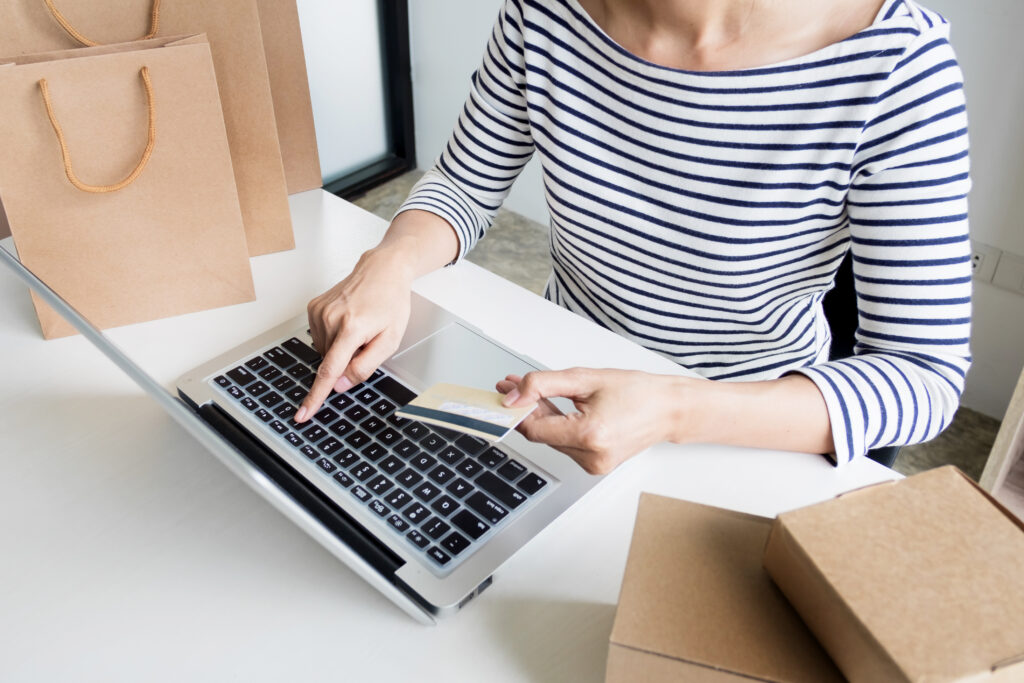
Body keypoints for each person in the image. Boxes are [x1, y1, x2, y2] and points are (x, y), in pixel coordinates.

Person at [296, 0, 971, 475]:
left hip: (741, 427)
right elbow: (466, 184)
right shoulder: (545, 13)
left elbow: (923, 378)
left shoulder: (900, 69)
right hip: (550, 387)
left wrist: (672, 410)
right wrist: (388, 262)